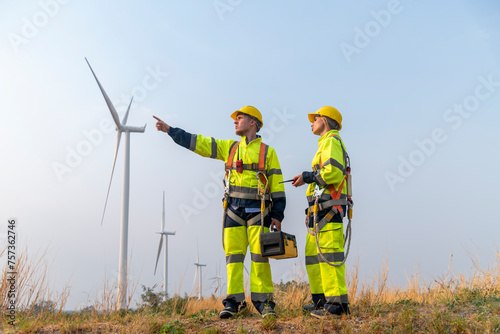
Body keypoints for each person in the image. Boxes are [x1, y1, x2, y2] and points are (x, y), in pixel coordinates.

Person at [153, 106, 286, 319]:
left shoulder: (267, 152)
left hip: (259, 212)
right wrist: (171, 131)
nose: (235, 121)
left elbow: (277, 186)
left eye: (239, 118)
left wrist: (278, 215)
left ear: (253, 122)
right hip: (233, 210)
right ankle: (234, 302)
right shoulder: (229, 148)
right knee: (233, 258)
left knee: (260, 257)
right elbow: (200, 143)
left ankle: (264, 303)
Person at [291, 106, 351, 319]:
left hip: (328, 210)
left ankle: (337, 306)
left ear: (324, 120)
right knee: (313, 257)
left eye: (314, 118)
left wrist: (308, 176)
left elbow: (333, 172)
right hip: (318, 212)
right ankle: (321, 301)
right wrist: (306, 178)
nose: (311, 122)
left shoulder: (332, 141)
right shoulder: (324, 144)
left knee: (328, 255)